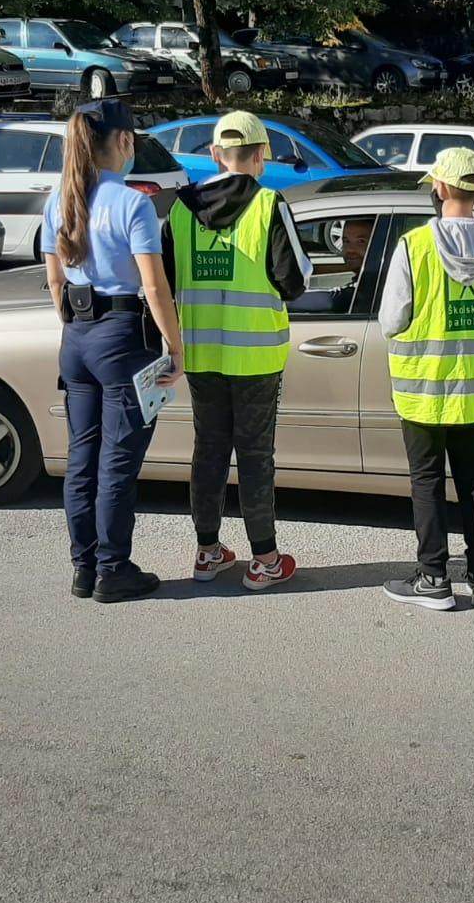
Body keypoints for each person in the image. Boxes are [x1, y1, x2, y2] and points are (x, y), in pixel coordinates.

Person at [162, 110, 312, 590]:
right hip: (256, 356)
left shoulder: (181, 210)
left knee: (208, 450)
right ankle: (264, 559)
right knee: (254, 455)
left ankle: (208, 552)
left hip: (201, 353)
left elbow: (164, 280)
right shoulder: (269, 204)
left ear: (214, 155)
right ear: (261, 156)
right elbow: (294, 282)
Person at [44, 97, 184, 604]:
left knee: (82, 458)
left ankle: (84, 568)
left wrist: (77, 327)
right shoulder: (132, 203)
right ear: (123, 142)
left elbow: (55, 281)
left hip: (76, 338)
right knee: (117, 464)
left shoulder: (57, 200)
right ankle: (113, 569)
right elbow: (154, 285)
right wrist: (175, 345)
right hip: (123, 338)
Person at [379, 146, 474, 611]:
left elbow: (392, 320)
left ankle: (433, 578)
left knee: (427, 480)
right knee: (473, 477)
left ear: (439, 188)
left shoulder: (413, 246)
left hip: (420, 389)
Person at [289, 216, 373, 314]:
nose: (350, 249)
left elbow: (334, 300)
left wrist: (283, 299)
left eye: (361, 241)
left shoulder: (372, 285)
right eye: (346, 241)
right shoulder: (367, 279)